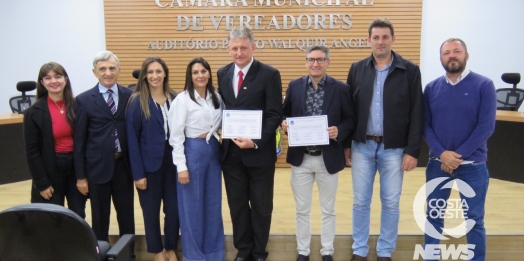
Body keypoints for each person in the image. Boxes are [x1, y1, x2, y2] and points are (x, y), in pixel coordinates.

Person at [345, 18, 424, 261]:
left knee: (390, 203)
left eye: (385, 37)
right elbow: (349, 111)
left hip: (394, 148)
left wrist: (413, 150)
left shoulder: (409, 70)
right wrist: (347, 144)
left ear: (393, 39)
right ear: (369, 40)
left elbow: (417, 112)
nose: (380, 42)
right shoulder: (357, 69)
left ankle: (385, 250)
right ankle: (359, 249)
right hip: (362, 146)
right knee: (360, 202)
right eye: (376, 37)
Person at [423, 38, 496, 261]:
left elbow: (486, 126)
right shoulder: (431, 87)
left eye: (457, 51)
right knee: (434, 215)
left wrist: (458, 156)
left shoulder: (484, 85)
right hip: (438, 165)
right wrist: (441, 153)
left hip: (473, 167)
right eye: (447, 52)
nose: (452, 55)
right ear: (441, 58)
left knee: (473, 219)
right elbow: (425, 125)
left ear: (466, 55)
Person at [281, 45, 355, 261]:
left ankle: (327, 251)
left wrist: (339, 131)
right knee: (302, 209)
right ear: (305, 62)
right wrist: (283, 124)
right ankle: (303, 251)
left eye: (320, 59)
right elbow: (283, 114)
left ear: (328, 62)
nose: (315, 63)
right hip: (301, 158)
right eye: (311, 59)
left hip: (328, 158)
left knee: (328, 209)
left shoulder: (341, 89)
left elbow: (350, 119)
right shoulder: (294, 86)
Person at [217, 27, 283, 261]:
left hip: (259, 153)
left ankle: (258, 252)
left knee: (261, 206)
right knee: (237, 205)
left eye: (243, 47)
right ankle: (243, 251)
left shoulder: (269, 74)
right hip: (231, 155)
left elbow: (275, 114)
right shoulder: (222, 73)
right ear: (228, 49)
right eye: (234, 48)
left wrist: (254, 141)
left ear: (253, 47)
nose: (239, 52)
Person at [74, 51, 135, 244]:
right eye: (102, 69)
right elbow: (79, 141)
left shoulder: (130, 95)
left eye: (111, 68)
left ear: (118, 70)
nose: (107, 73)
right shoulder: (83, 100)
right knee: (100, 218)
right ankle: (99, 253)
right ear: (95, 72)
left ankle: (128, 254)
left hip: (123, 167)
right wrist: (81, 176)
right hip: (97, 168)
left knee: (126, 216)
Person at [168, 57, 225, 261]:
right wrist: (181, 166)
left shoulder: (217, 97)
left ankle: (214, 253)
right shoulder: (182, 100)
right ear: (189, 76)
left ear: (209, 73)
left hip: (213, 151)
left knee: (212, 205)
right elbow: (175, 136)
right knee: (191, 207)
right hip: (191, 151)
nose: (200, 75)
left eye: (203, 71)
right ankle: (194, 256)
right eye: (195, 72)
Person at [126, 57, 179, 261]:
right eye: (150, 72)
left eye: (158, 71)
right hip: (149, 166)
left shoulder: (175, 98)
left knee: (174, 211)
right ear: (145, 76)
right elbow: (132, 139)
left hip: (174, 163)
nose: (155, 76)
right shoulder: (137, 101)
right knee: (151, 212)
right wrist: (138, 174)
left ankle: (171, 248)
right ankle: (157, 251)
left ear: (165, 73)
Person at [23, 62, 86, 218]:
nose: (54, 81)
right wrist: (41, 183)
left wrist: (83, 175)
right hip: (50, 169)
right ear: (42, 83)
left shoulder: (79, 106)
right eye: (48, 78)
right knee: (51, 218)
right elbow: (32, 152)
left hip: (75, 168)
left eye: (58, 76)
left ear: (65, 79)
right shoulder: (33, 112)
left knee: (77, 215)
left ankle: (76, 243)